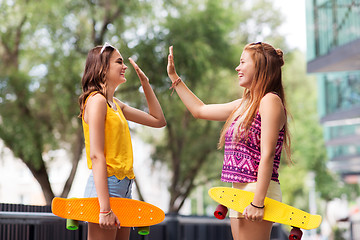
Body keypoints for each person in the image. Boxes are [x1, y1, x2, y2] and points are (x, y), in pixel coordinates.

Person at [167, 42, 291, 240]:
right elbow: (200, 110)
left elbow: (267, 155)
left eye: (243, 62)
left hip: (258, 191)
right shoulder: (245, 104)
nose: (237, 68)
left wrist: (258, 202)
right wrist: (174, 77)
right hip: (239, 190)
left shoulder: (270, 100)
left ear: (259, 66)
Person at [78, 42, 166, 240]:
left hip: (124, 186)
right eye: (119, 62)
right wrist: (104, 208)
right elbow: (96, 155)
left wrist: (145, 83)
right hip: (106, 188)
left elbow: (158, 120)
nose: (124, 66)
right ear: (102, 67)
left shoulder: (116, 105)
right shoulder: (96, 100)